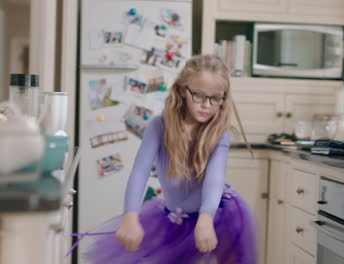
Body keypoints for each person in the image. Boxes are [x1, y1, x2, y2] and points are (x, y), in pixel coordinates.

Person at [78, 54, 257, 263]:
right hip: (175, 218)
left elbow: (214, 179)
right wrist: (130, 216)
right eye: (198, 95)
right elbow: (140, 171)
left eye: (216, 98)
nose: (206, 105)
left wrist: (206, 218)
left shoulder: (219, 134)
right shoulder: (159, 126)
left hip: (217, 214)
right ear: (182, 90)